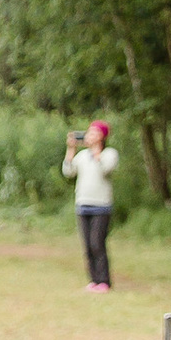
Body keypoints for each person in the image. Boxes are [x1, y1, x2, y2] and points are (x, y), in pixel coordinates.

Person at [62, 119, 116, 294]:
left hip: (101, 206)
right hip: (83, 204)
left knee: (97, 243)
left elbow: (105, 169)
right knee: (87, 245)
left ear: (101, 136)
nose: (88, 135)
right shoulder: (82, 156)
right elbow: (68, 172)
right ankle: (93, 279)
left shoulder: (109, 154)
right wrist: (71, 150)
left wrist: (96, 152)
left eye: (93, 132)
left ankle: (104, 280)